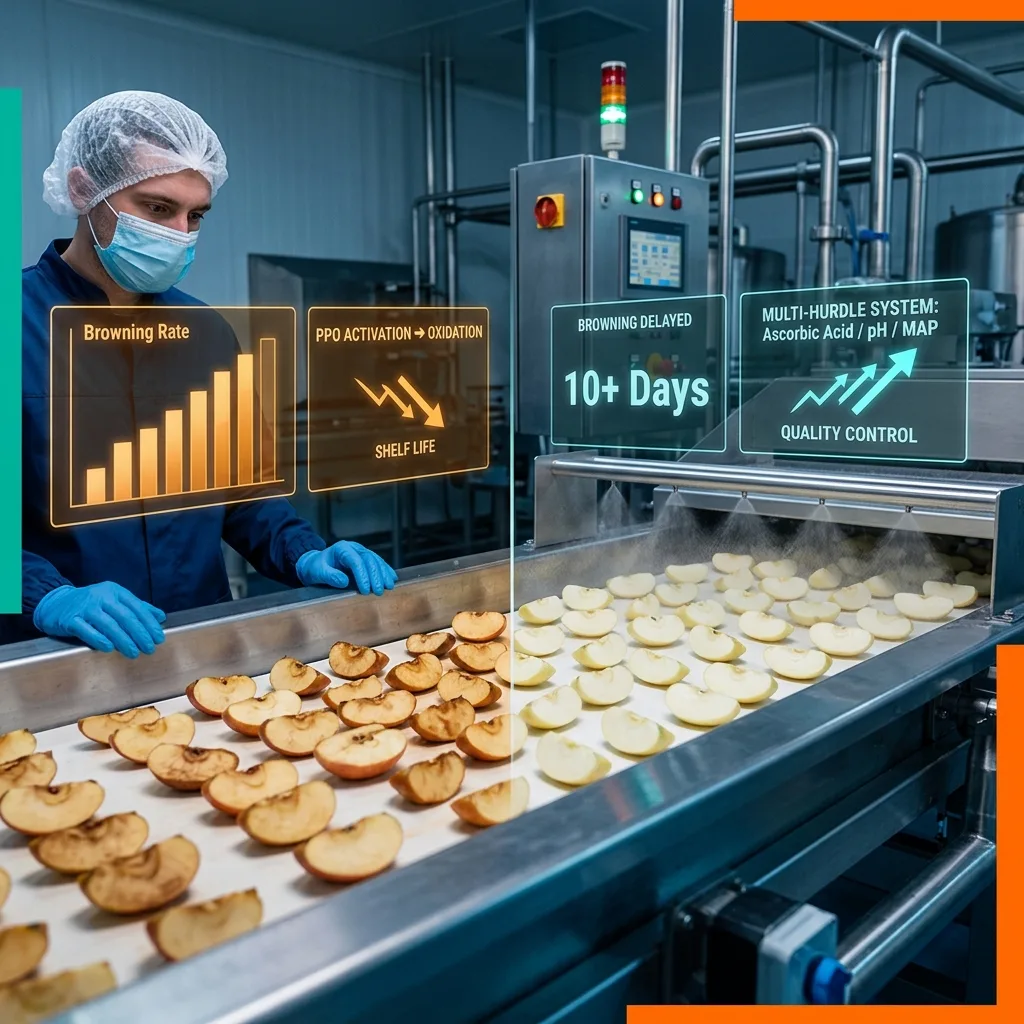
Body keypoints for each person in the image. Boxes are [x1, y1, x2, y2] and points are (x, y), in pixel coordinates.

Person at [6, 91, 395, 658]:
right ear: (82, 190)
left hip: (196, 647)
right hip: (53, 660)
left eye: (196, 215)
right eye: (158, 208)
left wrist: (304, 552)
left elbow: (241, 492)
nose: (180, 232)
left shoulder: (206, 334)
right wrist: (45, 595)